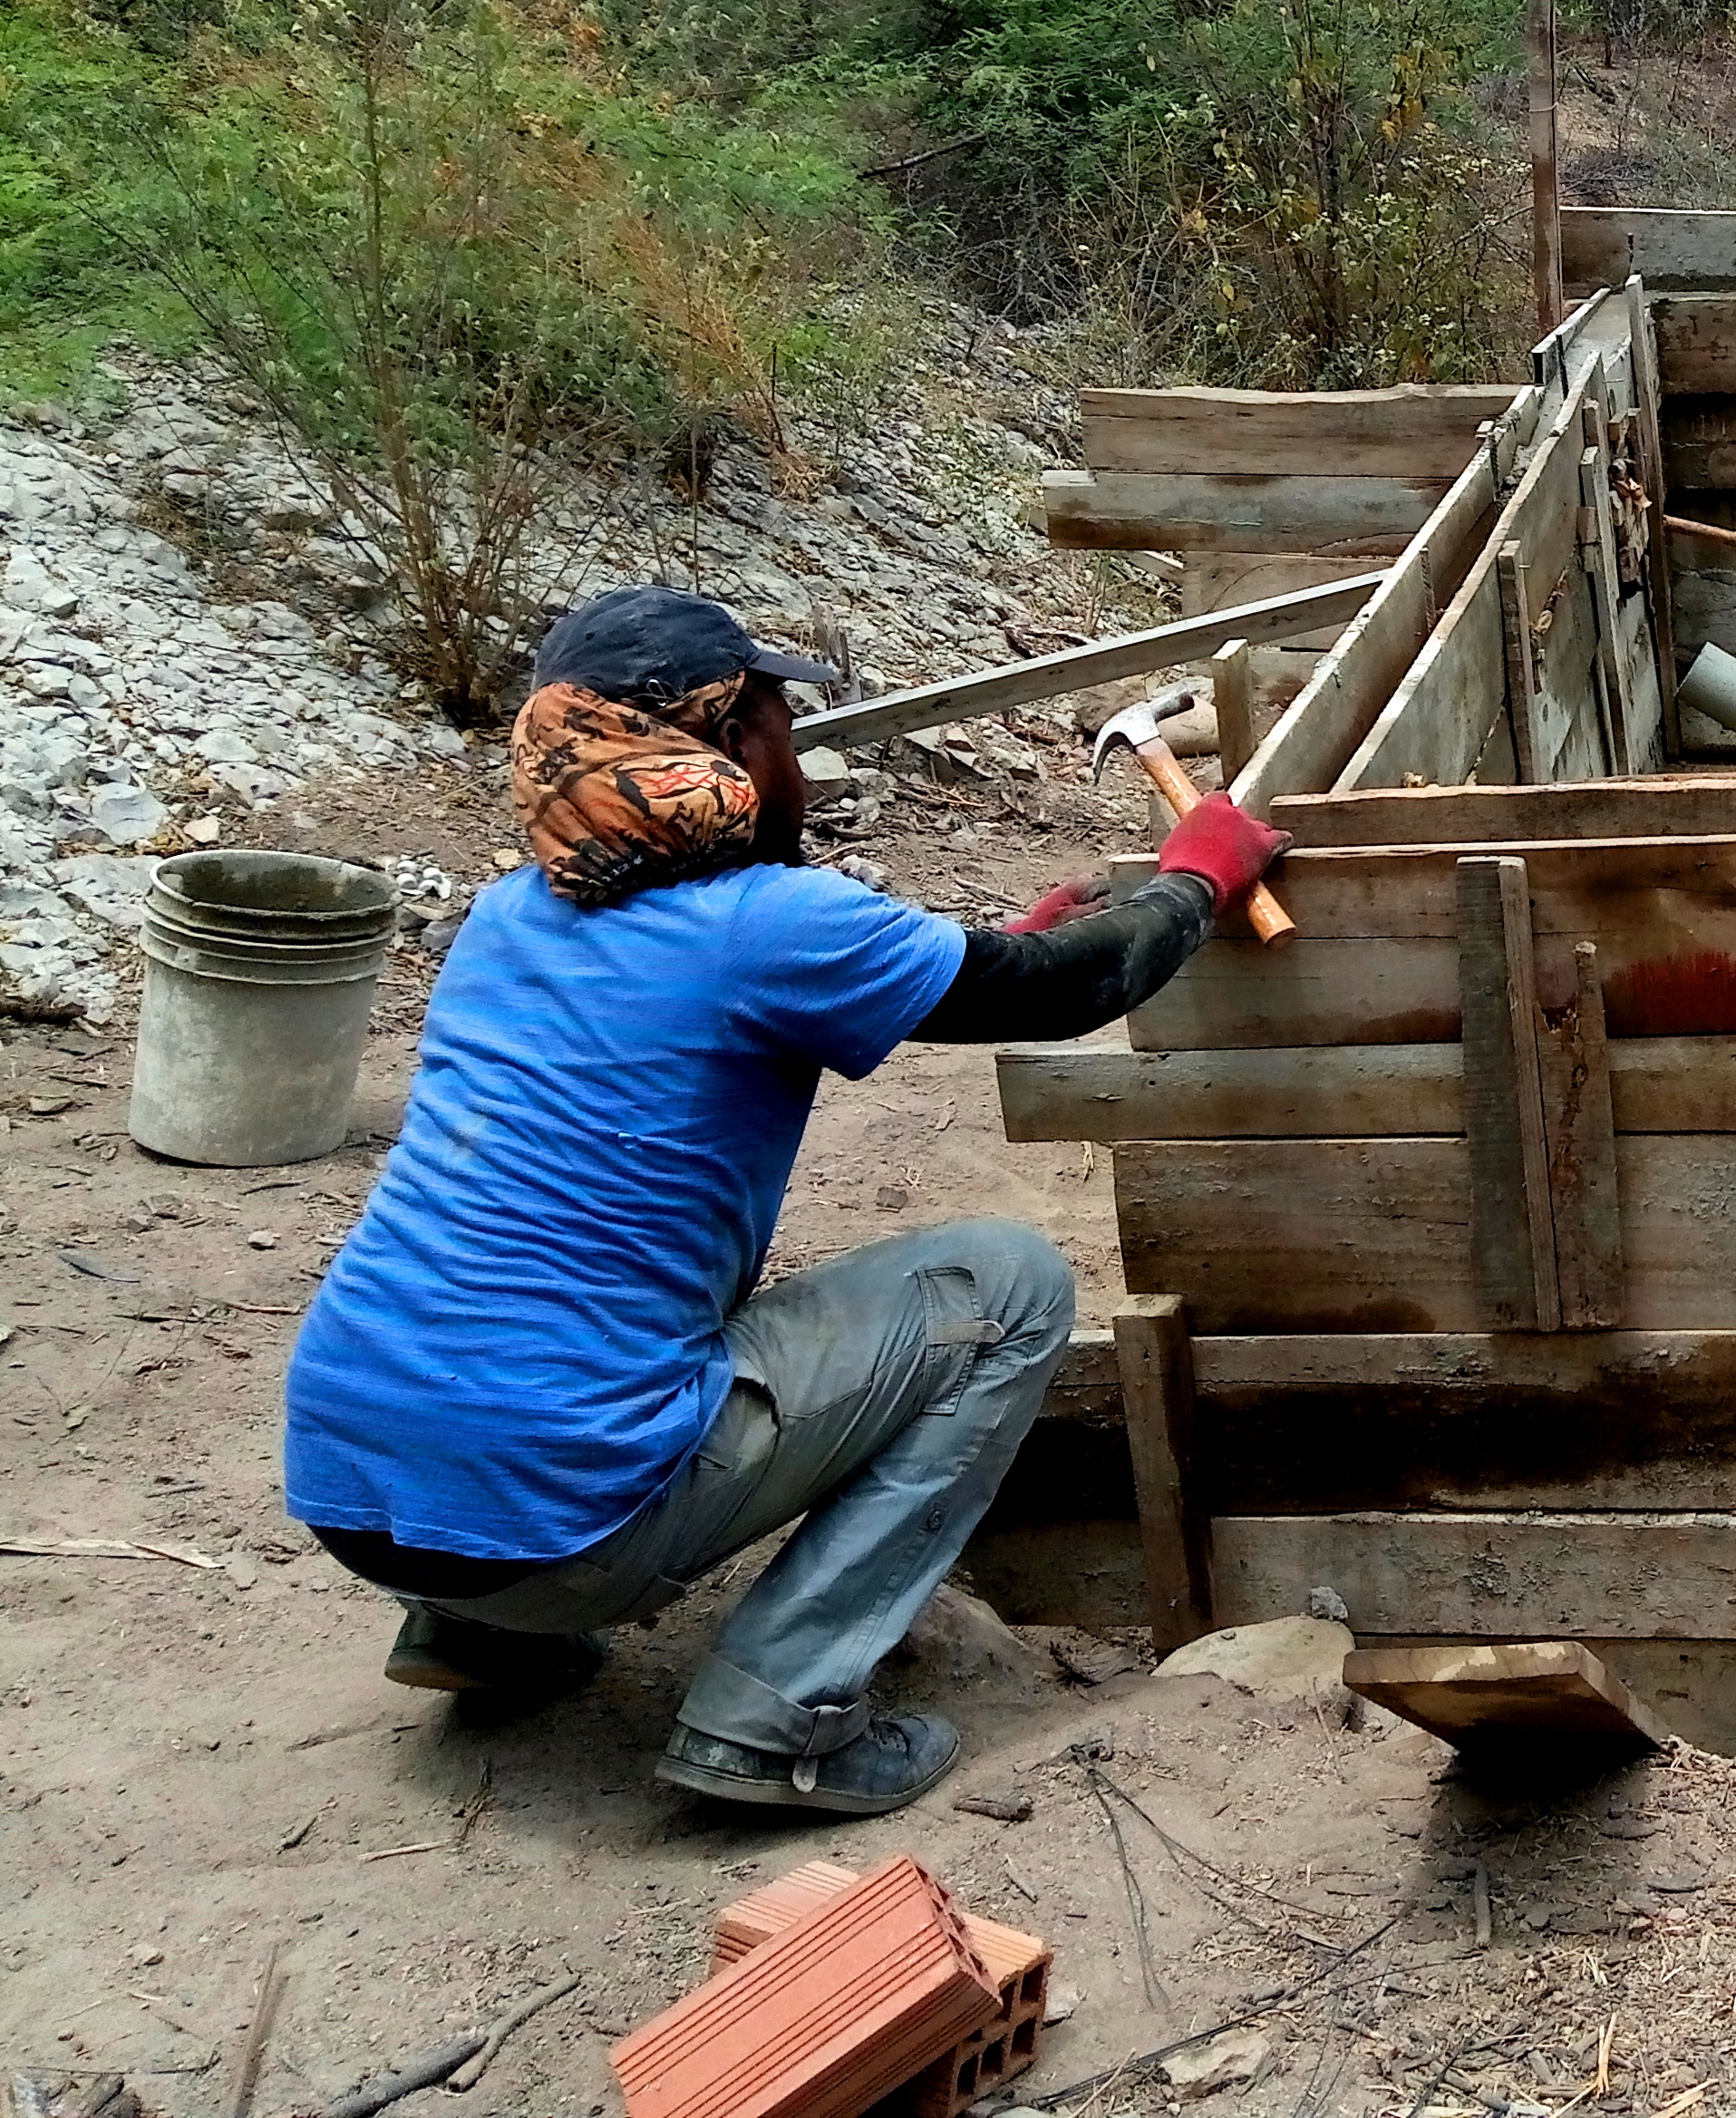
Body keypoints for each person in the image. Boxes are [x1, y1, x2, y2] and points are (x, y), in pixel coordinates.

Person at [283, 587, 1283, 1816]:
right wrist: (1196, 881)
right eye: (779, 727)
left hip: (351, 1483)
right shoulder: (769, 924)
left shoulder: (511, 918)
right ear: (731, 747)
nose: (794, 762)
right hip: (560, 1519)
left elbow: (855, 986)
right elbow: (1065, 993)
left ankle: (477, 1630)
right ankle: (779, 1721)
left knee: (518, 1287)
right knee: (1006, 1288)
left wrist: (989, 948)